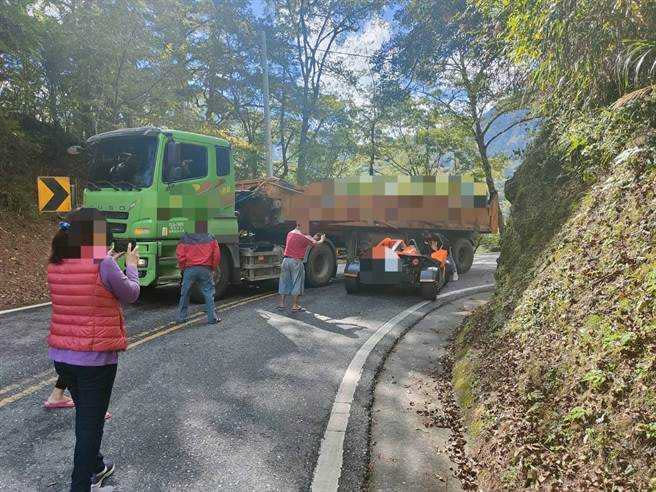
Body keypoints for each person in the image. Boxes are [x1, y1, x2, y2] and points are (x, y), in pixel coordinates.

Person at [47, 208, 140, 492]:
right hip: (95, 360)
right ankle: (81, 486)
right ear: (94, 234)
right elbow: (131, 293)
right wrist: (132, 266)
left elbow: (87, 284)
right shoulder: (102, 262)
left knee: (87, 417)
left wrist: (109, 265)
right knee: (91, 424)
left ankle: (97, 467)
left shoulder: (55, 262)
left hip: (62, 357)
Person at [176, 231, 221, 324]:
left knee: (185, 293)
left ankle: (181, 317)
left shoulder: (185, 237)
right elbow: (216, 255)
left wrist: (183, 267)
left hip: (190, 269)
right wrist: (213, 267)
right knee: (208, 292)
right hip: (205, 269)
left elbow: (180, 255)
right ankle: (212, 318)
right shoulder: (210, 236)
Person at [278, 223, 325, 312]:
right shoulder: (305, 236)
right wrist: (322, 239)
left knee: (283, 282)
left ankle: (281, 304)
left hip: (286, 261)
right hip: (296, 262)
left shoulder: (290, 233)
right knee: (296, 283)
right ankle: (295, 305)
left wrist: (312, 238)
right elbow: (316, 243)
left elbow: (305, 242)